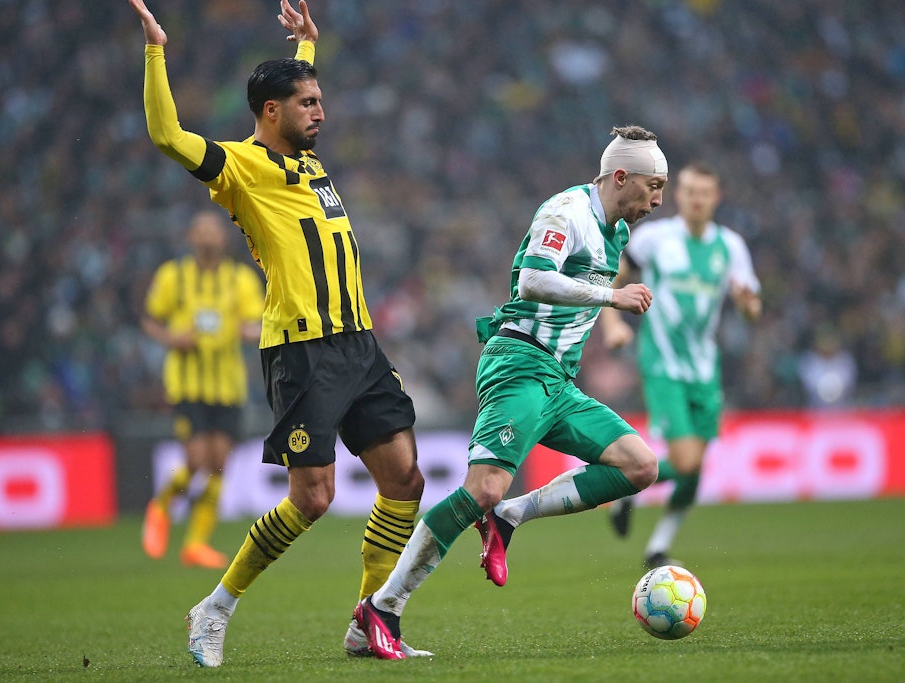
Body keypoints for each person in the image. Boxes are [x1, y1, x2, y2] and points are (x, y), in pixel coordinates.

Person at [129, 0, 429, 666]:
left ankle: (370, 622)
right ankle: (216, 607)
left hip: (360, 343)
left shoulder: (308, 161)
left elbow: (293, 90)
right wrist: (156, 51)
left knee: (405, 480)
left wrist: (304, 48)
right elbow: (167, 135)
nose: (321, 110)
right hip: (301, 351)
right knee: (313, 496)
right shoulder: (240, 168)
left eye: (320, 99)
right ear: (271, 113)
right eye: (308, 102)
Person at [352, 126, 667, 659]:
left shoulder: (617, 232)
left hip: (558, 382)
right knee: (482, 489)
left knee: (640, 466)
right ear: (621, 177)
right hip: (519, 363)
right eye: (653, 186)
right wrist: (612, 298)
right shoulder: (566, 212)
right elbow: (532, 283)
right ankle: (380, 610)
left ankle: (512, 516)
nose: (658, 200)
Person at [598, 161, 761, 570]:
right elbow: (612, 276)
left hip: (705, 369)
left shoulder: (731, 247)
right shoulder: (655, 238)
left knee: (696, 468)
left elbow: (752, 308)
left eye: (703, 192)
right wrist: (614, 322)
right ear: (679, 195)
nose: (695, 199)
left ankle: (658, 545)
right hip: (663, 364)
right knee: (686, 461)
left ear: (715, 198)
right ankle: (626, 485)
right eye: (687, 191)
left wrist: (747, 305)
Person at [140, 208, 264, 569]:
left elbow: (255, 323)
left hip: (227, 385)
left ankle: (195, 543)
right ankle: (161, 505)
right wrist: (170, 338)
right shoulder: (173, 277)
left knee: (218, 464)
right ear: (191, 238)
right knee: (196, 460)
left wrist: (249, 331)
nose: (208, 236)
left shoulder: (240, 279)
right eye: (202, 231)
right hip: (187, 384)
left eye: (214, 230)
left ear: (223, 238)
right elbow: (150, 319)